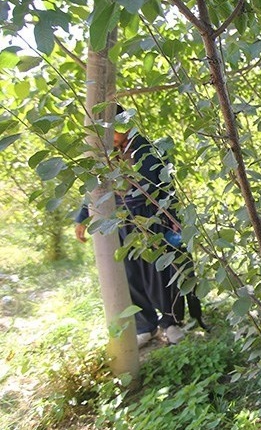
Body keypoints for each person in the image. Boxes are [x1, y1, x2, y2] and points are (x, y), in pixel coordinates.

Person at [75, 107, 189, 347]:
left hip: (152, 217)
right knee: (131, 274)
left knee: (160, 273)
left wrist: (175, 219)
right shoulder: (105, 154)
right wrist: (81, 217)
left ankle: (170, 323)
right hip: (122, 220)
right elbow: (93, 188)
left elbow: (167, 187)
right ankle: (145, 325)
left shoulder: (150, 148)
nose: (111, 135)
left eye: (113, 129)